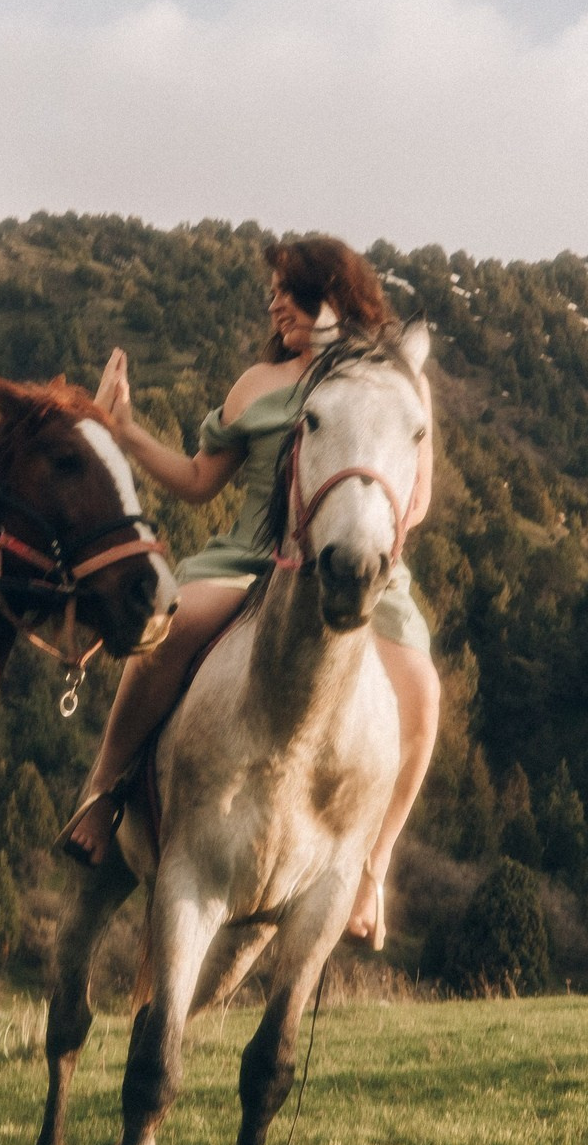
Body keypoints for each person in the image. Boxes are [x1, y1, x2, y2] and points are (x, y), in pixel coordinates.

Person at [56, 237, 440, 950]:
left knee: (423, 695)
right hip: (252, 559)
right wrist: (129, 431)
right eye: (272, 291)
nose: (275, 303)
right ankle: (105, 793)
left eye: (290, 290)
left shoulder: (391, 381)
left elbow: (415, 494)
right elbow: (201, 480)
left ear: (336, 294)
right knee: (169, 636)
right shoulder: (257, 386)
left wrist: (369, 538)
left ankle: (369, 869)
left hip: (359, 556)